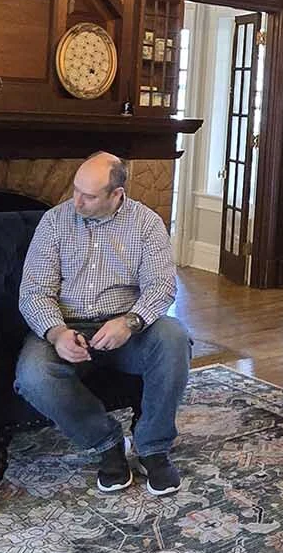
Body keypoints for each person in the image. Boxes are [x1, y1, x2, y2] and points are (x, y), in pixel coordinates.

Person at [16, 152, 191, 496]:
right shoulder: (54, 221)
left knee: (174, 337)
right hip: (67, 327)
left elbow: (162, 286)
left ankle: (153, 448)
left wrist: (131, 321)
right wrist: (56, 332)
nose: (76, 201)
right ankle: (106, 444)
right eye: (75, 190)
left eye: (89, 195)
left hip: (127, 329)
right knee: (33, 375)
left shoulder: (146, 223)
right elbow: (34, 290)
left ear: (116, 194)